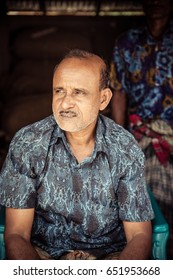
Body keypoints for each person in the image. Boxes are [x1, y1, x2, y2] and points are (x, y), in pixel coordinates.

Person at [0, 49, 154, 260]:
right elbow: (17, 234)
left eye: (78, 92)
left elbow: (139, 235)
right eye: (59, 91)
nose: (65, 103)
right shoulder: (28, 144)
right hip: (44, 255)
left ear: (103, 99)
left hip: (109, 256)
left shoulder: (124, 147)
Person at [110, 0, 173, 259]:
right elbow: (118, 89)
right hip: (138, 131)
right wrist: (117, 137)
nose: (157, 2)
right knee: (138, 193)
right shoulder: (127, 42)